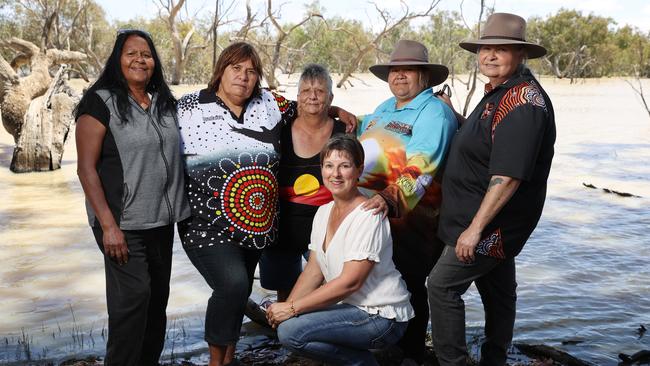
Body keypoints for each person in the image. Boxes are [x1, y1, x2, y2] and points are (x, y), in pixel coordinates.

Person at [176, 42, 355, 366]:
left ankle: (228, 357)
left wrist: (335, 110)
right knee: (232, 285)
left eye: (251, 71)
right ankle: (217, 362)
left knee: (238, 293)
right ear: (220, 71)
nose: (244, 77)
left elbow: (309, 105)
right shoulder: (189, 106)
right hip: (207, 225)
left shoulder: (270, 103)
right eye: (236, 69)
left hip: (256, 229)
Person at [427, 13, 556, 366]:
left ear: (521, 55)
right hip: (485, 220)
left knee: (441, 286)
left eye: (502, 49)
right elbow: (488, 143)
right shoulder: (502, 93)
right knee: (499, 292)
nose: (491, 55)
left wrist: (475, 229)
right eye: (486, 48)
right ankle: (495, 359)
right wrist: (455, 117)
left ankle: (454, 362)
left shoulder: (523, 103)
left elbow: (508, 175)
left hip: (488, 224)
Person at [75, 29, 190, 365]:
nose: (140, 59)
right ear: (117, 59)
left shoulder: (164, 102)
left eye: (147, 54)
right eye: (131, 53)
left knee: (156, 304)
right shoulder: (100, 102)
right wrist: (109, 226)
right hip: (120, 224)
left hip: (161, 221)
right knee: (133, 302)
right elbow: (86, 170)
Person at [267, 134, 414, 366]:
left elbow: (350, 283)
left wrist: (292, 309)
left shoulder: (368, 214)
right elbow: (314, 270)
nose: (335, 174)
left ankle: (364, 364)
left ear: (359, 170)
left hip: (381, 316)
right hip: (351, 308)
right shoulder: (323, 211)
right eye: (329, 166)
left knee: (291, 333)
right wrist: (286, 309)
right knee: (288, 325)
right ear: (321, 169)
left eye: (344, 166)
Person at [356, 39, 457, 365]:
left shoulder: (434, 113)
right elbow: (364, 135)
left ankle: (411, 351)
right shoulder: (384, 108)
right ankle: (381, 343)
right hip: (372, 215)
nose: (400, 76)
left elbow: (422, 165)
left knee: (409, 282)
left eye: (408, 71)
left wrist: (389, 198)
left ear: (424, 77)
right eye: (394, 70)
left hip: (413, 218)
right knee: (376, 279)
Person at [258, 64, 347, 302]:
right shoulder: (279, 131)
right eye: (306, 90)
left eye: (320, 90)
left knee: (333, 286)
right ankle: (282, 327)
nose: (313, 96)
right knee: (284, 292)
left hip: (327, 225)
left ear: (330, 97)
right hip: (282, 227)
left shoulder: (343, 132)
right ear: (297, 97)